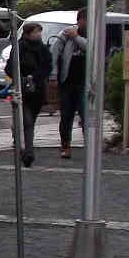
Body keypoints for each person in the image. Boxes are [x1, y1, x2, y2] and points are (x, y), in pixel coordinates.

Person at [0, 23, 52, 165]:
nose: (38, 35)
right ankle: (28, 152)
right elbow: (10, 68)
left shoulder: (43, 49)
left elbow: (47, 67)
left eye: (39, 32)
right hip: (22, 90)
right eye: (35, 32)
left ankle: (21, 139)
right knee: (27, 121)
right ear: (27, 34)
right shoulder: (19, 48)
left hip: (37, 91)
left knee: (30, 121)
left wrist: (34, 77)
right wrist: (22, 78)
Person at [50, 8, 89, 159]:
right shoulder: (65, 33)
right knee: (66, 116)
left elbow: (92, 49)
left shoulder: (95, 33)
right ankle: (65, 145)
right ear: (79, 20)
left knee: (87, 115)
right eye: (86, 19)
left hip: (86, 83)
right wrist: (53, 75)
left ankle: (89, 145)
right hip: (67, 81)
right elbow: (54, 52)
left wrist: (77, 37)